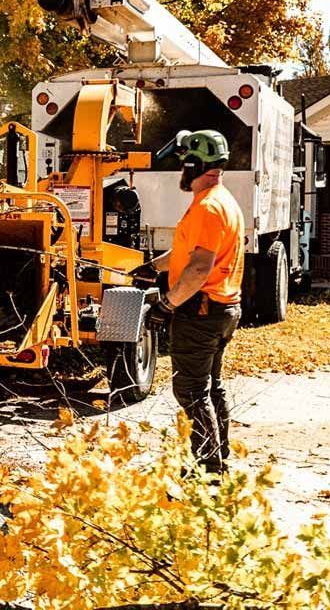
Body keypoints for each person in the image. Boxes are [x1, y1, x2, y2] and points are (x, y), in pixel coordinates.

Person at [133, 130, 244, 475]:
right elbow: (188, 254)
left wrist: (166, 305)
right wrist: (153, 267)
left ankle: (207, 467)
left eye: (184, 162)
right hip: (222, 308)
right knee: (211, 385)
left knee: (190, 389)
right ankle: (218, 455)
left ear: (196, 164)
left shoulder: (208, 207)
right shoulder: (219, 200)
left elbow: (198, 269)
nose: (181, 169)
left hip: (201, 310)